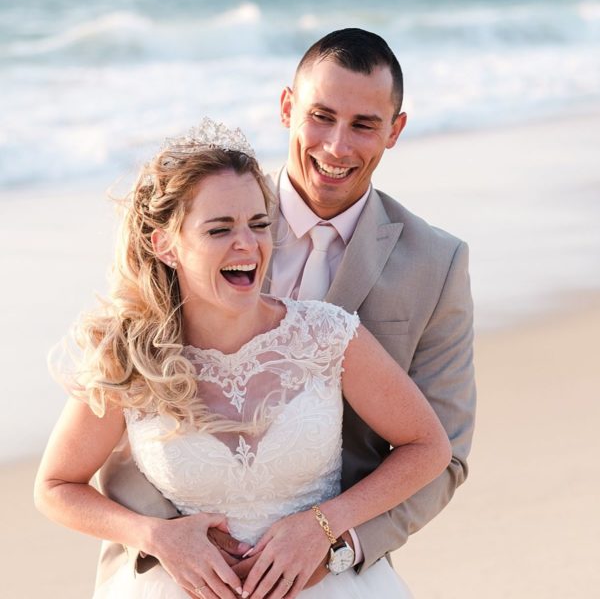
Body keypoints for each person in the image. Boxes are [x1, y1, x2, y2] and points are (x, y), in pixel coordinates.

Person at [34, 119, 451, 599]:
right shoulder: (131, 356)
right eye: (219, 229)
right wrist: (155, 536)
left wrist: (324, 525)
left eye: (258, 224)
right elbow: (55, 486)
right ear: (165, 244)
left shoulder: (325, 333)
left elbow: (428, 446)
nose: (248, 245)